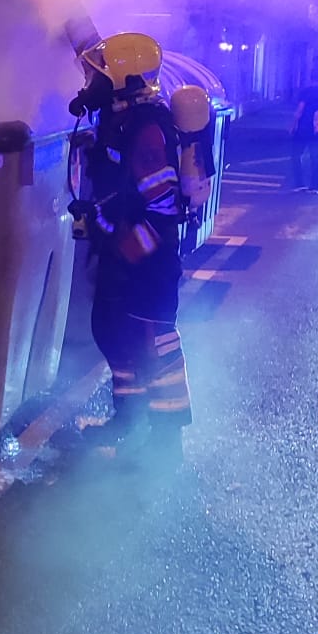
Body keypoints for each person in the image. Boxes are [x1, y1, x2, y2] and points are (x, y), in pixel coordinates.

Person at [90, 104, 191, 462]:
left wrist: (126, 251)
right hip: (134, 263)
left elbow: (163, 211)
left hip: (151, 266)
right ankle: (130, 420)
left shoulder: (146, 131)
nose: (90, 84)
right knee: (120, 338)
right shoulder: (125, 126)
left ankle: (166, 439)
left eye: (98, 75)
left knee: (155, 345)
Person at [289, 74, 318, 192]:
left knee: (296, 155)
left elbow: (300, 109)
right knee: (315, 157)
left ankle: (299, 183)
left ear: (311, 79)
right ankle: (314, 186)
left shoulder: (306, 92)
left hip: (304, 127)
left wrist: (293, 124)